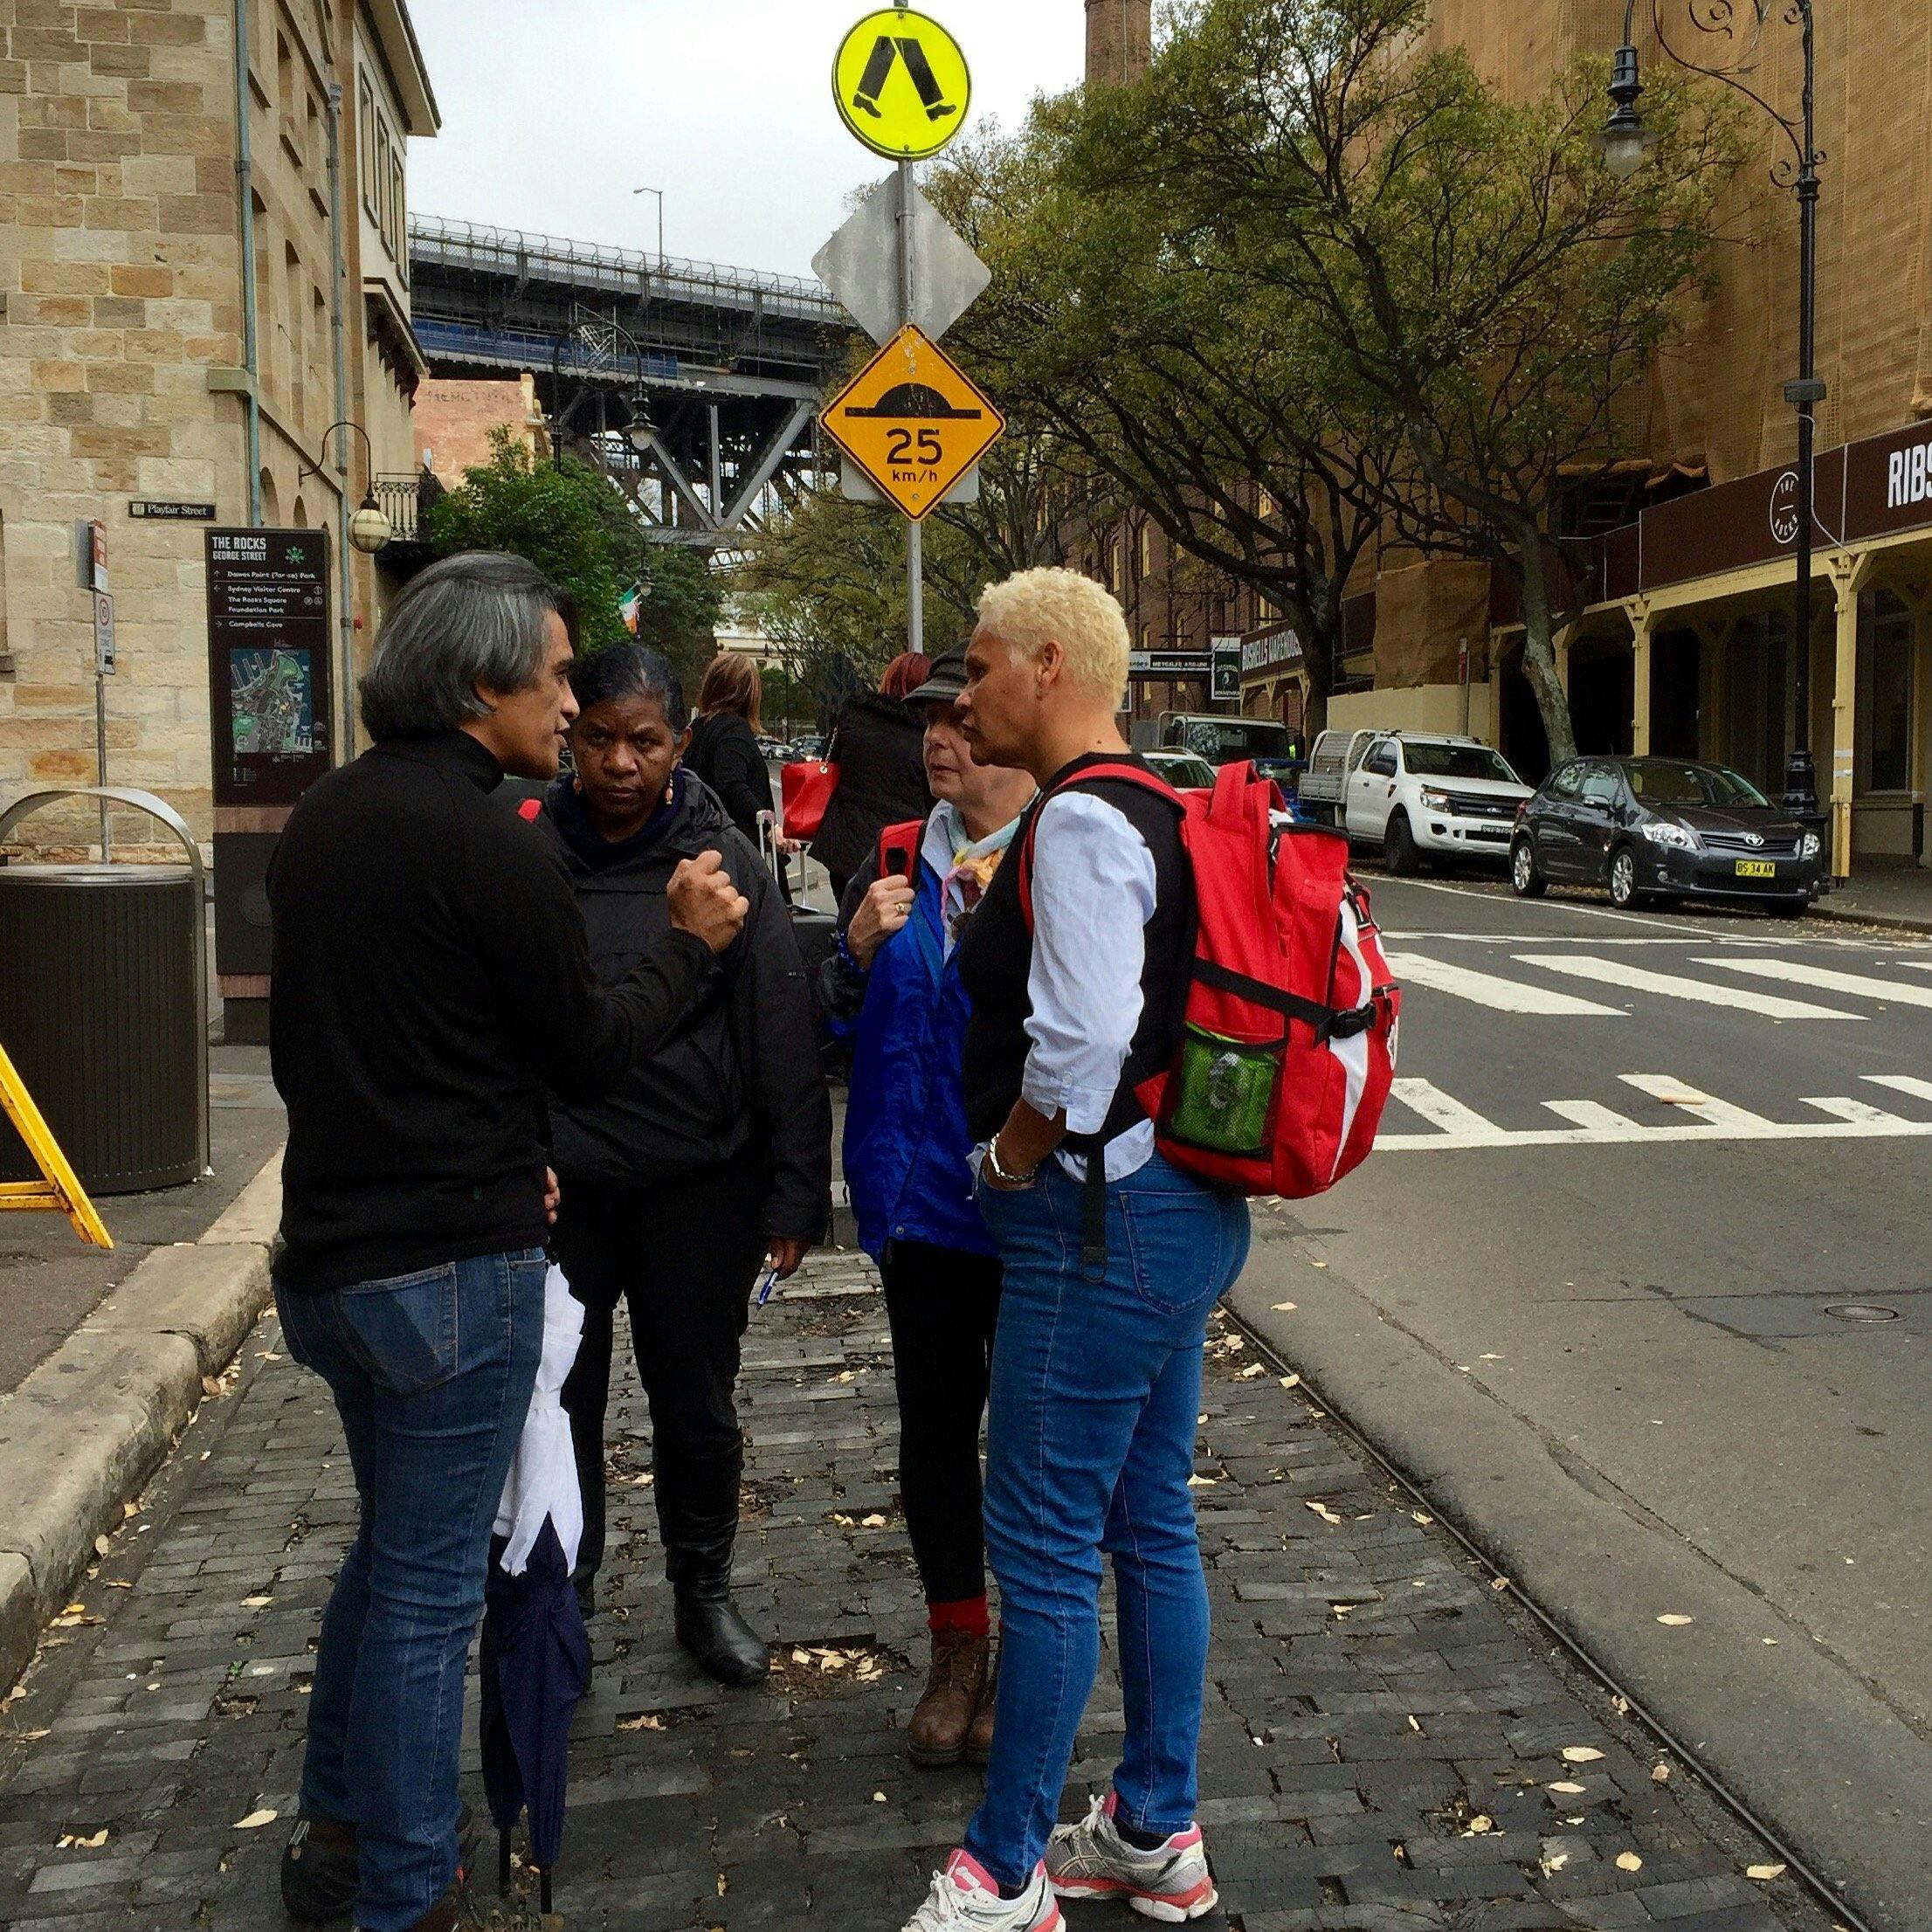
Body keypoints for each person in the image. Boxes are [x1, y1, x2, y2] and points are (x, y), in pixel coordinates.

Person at [267, 553, 748, 1932]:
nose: (567, 702)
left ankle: (341, 1835)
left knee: (386, 1560)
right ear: (481, 685)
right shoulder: (495, 842)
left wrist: (496, 1146)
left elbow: (346, 1049)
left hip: (336, 1262)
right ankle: (408, 1892)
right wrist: (688, 944)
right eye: (550, 678)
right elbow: (588, 1051)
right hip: (446, 1276)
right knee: (429, 1597)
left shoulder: (324, 820)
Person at [900, 569, 1251, 1932]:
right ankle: (1155, 1829)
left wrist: (1011, 1158)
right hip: (1173, 1213)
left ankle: (1003, 1870)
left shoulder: (1088, 820)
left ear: (1049, 665)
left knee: (1042, 1548)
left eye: (978, 667)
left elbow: (1092, 1036)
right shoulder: (1156, 804)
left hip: (1097, 1225)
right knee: (1148, 1520)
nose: (961, 692)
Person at [532, 643, 831, 1687]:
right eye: (601, 738)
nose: (621, 762)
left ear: (678, 741)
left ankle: (702, 1590)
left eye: (645, 740)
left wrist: (795, 1188)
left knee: (695, 1404)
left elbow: (777, 1023)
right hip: (562, 1186)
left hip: (696, 1185)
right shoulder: (525, 851)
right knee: (556, 1405)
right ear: (571, 736)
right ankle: (557, 1602)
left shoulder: (727, 862)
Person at [818, 650, 1036, 1769]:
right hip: (919, 1208)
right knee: (938, 1435)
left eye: (957, 717)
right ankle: (957, 1648)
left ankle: (1033, 1657)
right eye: (924, 724)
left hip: (1031, 1205)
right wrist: (851, 956)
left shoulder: (1061, 848)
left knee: (1037, 1443)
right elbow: (835, 1029)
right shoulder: (897, 857)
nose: (938, 740)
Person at [811, 652, 935, 901]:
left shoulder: (854, 715)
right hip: (899, 850)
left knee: (848, 921)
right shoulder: (925, 735)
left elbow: (829, 761)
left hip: (843, 844)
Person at [685, 651, 774, 852]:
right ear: (749, 693)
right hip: (736, 852)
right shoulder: (734, 729)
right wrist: (768, 824)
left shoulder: (697, 729)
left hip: (697, 843)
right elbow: (731, 783)